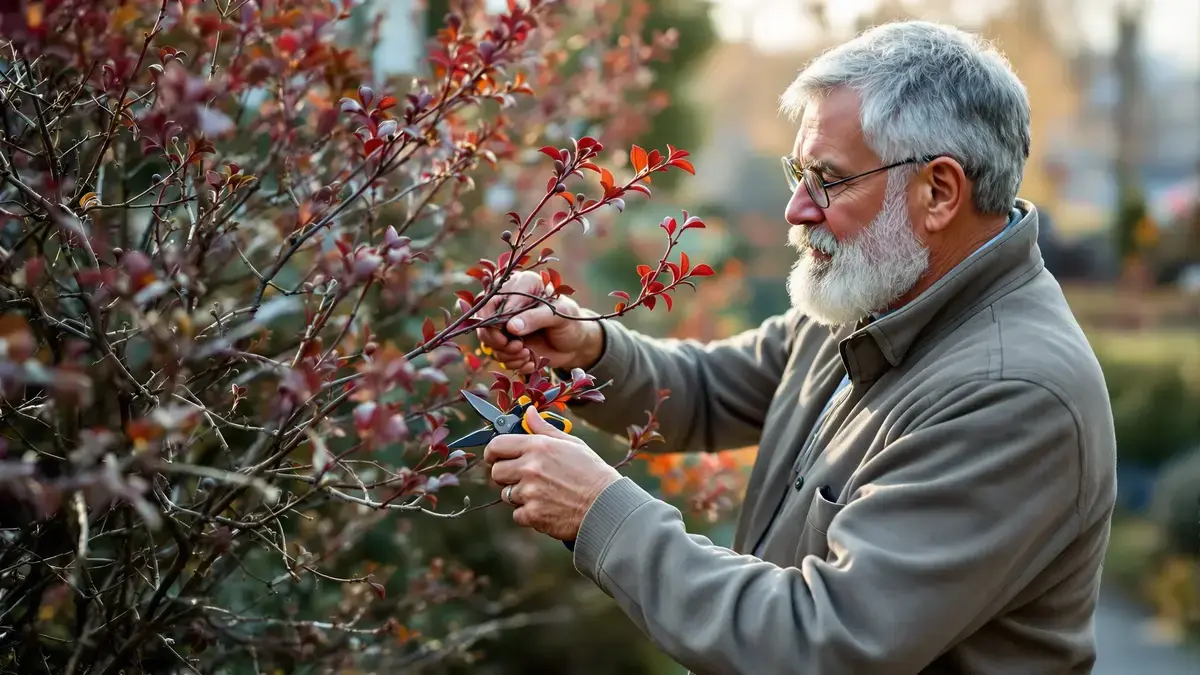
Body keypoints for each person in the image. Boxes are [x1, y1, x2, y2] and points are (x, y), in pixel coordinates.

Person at [476, 19, 1117, 675]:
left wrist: (598, 511)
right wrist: (586, 344)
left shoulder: (1010, 395)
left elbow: (820, 641)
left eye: (828, 179)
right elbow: (702, 391)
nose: (796, 209)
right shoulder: (877, 295)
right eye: (798, 173)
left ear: (939, 192)